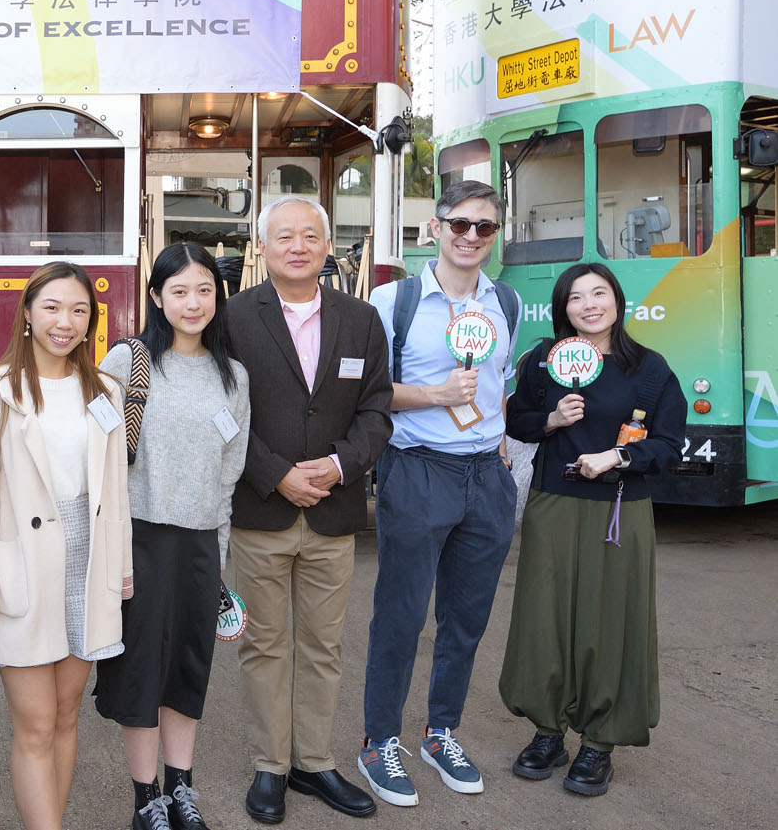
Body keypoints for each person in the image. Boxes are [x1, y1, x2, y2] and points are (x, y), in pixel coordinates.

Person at [225, 198, 393, 824]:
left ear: (327, 246)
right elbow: (222, 412)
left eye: (310, 236)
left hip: (333, 509)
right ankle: (271, 765)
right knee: (264, 645)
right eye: (284, 236)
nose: (298, 246)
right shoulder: (232, 317)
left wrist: (341, 465)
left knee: (324, 646)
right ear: (263, 247)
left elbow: (377, 408)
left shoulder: (362, 319)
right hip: (260, 510)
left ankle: (314, 761)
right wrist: (276, 474)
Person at [0, 262, 133, 830]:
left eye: (79, 310)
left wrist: (121, 569)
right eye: (52, 307)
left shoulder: (105, 390)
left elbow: (116, 490)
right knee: (34, 725)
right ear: (27, 313)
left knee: (66, 715)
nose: (65, 321)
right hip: (23, 564)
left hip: (88, 560)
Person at [359, 179, 522, 808]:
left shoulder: (505, 302)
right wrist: (435, 395)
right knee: (401, 615)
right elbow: (368, 392)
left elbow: (499, 384)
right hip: (418, 468)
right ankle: (380, 741)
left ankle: (440, 732)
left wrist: (499, 444)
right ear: (435, 227)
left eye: (485, 227)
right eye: (459, 224)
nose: (471, 237)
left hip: (486, 475)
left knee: (467, 618)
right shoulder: (392, 301)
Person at [501, 263, 685, 796]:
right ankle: (548, 731)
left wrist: (617, 456)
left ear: (617, 301)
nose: (589, 305)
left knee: (610, 622)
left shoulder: (648, 369)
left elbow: (669, 444)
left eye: (598, 293)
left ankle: (600, 742)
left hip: (619, 511)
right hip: (553, 503)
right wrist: (552, 420)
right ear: (563, 309)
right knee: (546, 618)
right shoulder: (544, 360)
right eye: (576, 297)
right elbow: (515, 419)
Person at [91, 243, 250, 830]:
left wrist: (221, 557)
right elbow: (97, 456)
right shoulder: (126, 361)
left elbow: (230, 473)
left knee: (187, 668)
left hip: (201, 544)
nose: (193, 303)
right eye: (179, 291)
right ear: (156, 297)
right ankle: (146, 798)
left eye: (204, 290)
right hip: (139, 540)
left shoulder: (233, 376)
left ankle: (182, 788)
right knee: (141, 672)